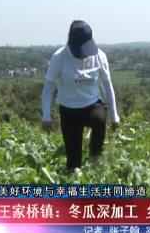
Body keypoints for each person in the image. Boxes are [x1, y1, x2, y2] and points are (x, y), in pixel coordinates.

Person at [41, 20, 120, 172]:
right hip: (69, 108)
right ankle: (74, 183)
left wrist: (115, 116)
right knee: (73, 162)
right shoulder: (59, 57)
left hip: (92, 104)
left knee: (99, 119)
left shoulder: (99, 56)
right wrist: (46, 117)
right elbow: (48, 87)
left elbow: (107, 85)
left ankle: (95, 160)